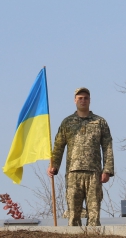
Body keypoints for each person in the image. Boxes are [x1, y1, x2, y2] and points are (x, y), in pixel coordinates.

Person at [47, 87, 114, 226]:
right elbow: (58, 146)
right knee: (73, 215)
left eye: (86, 98)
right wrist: (54, 166)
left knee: (94, 215)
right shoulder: (67, 122)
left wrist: (107, 170)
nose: (83, 101)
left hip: (94, 173)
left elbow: (107, 146)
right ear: (75, 100)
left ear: (90, 100)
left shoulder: (100, 122)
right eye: (80, 98)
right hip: (73, 173)